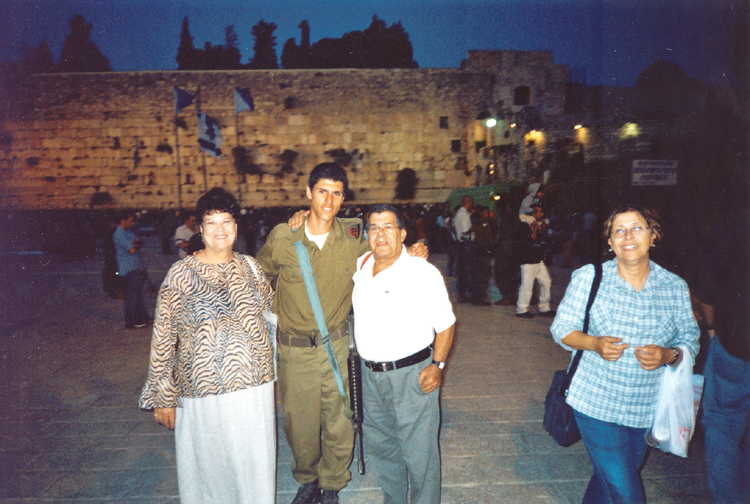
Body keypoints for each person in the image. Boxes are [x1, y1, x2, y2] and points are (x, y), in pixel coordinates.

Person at [257, 164, 426, 504]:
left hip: (335, 345)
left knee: (339, 420)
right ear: (308, 193)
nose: (328, 201)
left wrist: (413, 250)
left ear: (343, 198)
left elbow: (383, 247)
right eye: (322, 191)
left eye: (336, 193)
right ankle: (307, 480)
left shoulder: (352, 236)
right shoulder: (284, 236)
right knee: (299, 423)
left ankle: (332, 482)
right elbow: (258, 275)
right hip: (294, 349)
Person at [550, 204, 700, 504]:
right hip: (595, 402)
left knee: (608, 484)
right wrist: (594, 343)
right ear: (610, 241)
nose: (628, 236)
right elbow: (561, 328)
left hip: (646, 408)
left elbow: (690, 339)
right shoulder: (590, 277)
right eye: (619, 231)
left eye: (636, 228)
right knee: (626, 494)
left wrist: (668, 355)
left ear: (653, 235)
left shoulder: (674, 286)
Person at [139, 188, 276, 504]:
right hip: (204, 391)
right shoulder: (181, 274)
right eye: (211, 223)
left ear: (236, 227)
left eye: (226, 221)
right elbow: (163, 336)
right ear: (200, 229)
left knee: (254, 469)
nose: (220, 230)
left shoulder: (252, 268)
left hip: (254, 390)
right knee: (210, 473)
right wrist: (163, 395)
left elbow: (270, 316)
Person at [352, 204, 455, 504]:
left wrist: (438, 365)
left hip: (412, 375)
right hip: (371, 377)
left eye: (388, 227)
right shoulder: (362, 264)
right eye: (374, 228)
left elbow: (446, 324)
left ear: (403, 233)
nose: (380, 234)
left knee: (419, 452)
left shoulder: (422, 272)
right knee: (383, 449)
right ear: (367, 235)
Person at [695, 209, 750, 504]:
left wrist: (713, 328)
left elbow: (707, 288)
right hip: (735, 340)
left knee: (723, 421)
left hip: (735, 340)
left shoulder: (734, 222)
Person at [113, 212, 151, 329]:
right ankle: (132, 321)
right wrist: (135, 245)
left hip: (135, 266)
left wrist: (136, 244)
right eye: (130, 221)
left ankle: (143, 317)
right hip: (128, 269)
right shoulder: (119, 234)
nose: (132, 223)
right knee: (131, 296)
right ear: (123, 220)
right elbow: (132, 250)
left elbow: (139, 243)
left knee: (138, 295)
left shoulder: (128, 231)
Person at [516, 204, 554, 318]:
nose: (541, 214)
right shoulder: (524, 225)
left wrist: (542, 227)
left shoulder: (538, 224)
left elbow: (545, 238)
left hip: (538, 260)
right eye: (538, 212)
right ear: (532, 213)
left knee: (546, 282)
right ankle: (522, 309)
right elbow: (529, 240)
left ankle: (544, 307)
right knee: (527, 286)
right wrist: (536, 228)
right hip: (528, 261)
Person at [453, 195, 476, 303]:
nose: (471, 203)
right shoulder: (463, 214)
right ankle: (462, 294)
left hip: (462, 244)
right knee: (464, 270)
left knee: (462, 270)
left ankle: (462, 294)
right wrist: (474, 228)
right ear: (466, 202)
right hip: (464, 244)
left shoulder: (463, 213)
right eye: (469, 201)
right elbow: (465, 232)